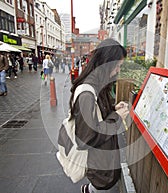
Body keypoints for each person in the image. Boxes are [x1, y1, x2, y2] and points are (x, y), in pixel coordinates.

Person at [59, 39, 129, 193]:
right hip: (96, 161)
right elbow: (86, 138)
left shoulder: (98, 82)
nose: (118, 70)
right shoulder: (87, 93)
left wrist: (112, 108)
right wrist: (116, 117)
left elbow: (97, 114)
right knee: (103, 187)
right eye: (117, 66)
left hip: (102, 157)